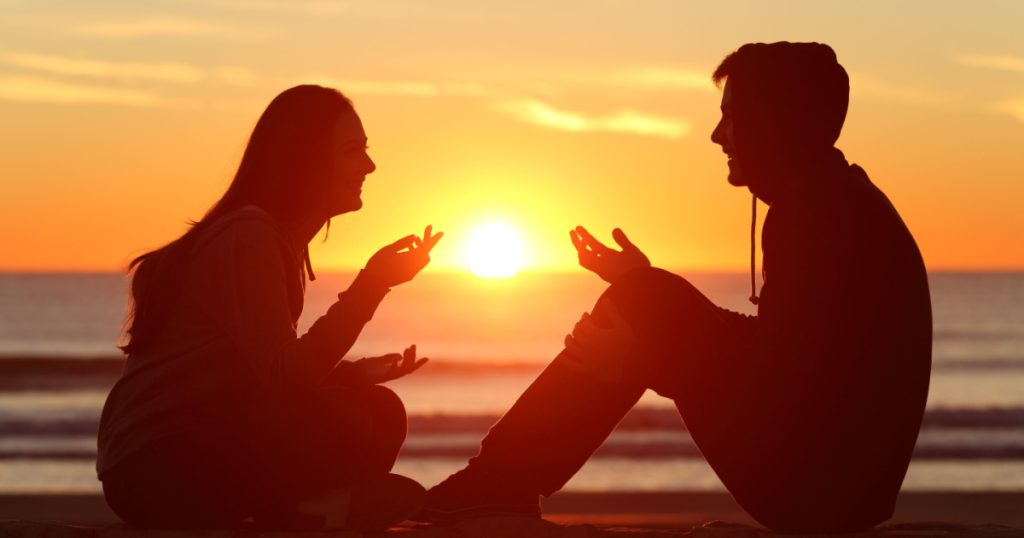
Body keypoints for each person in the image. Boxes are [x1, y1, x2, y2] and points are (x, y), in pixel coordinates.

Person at [416, 42, 932, 533]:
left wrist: (655, 338)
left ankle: (495, 483)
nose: (717, 134)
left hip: (819, 490)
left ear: (774, 124)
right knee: (647, 296)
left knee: (648, 298)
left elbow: (781, 368)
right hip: (841, 487)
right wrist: (650, 316)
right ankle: (499, 480)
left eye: (731, 116)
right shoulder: (835, 200)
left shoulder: (816, 215)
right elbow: (791, 358)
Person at [97, 85, 442, 531]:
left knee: (381, 411)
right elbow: (283, 380)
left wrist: (349, 374)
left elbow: (254, 377)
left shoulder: (274, 239)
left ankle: (311, 508)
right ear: (307, 158)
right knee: (348, 418)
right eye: (353, 151)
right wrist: (370, 286)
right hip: (155, 466)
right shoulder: (250, 235)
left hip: (197, 445)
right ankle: (310, 509)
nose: (370, 166)